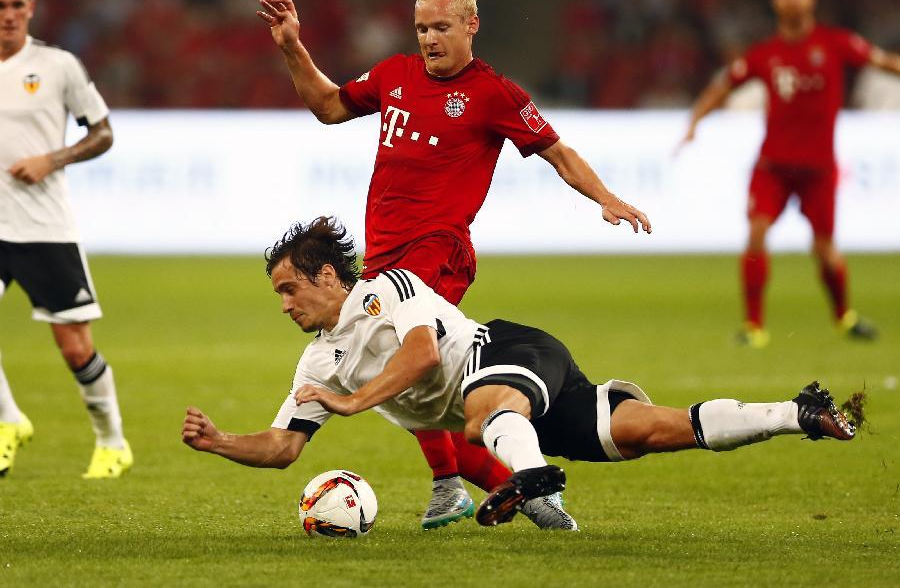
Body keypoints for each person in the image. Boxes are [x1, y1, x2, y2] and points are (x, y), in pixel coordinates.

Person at [255, 0, 652, 527]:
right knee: (412, 379)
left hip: (438, 253)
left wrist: (606, 199)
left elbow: (557, 151)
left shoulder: (494, 93)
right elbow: (327, 106)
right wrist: (293, 48)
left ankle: (484, 485)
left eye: (441, 27)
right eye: (421, 28)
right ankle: (472, 483)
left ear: (471, 26)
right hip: (383, 262)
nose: (429, 39)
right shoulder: (395, 75)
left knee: (412, 365)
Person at [182, 217, 860, 530]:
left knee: (479, 414)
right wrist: (219, 441)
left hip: (511, 350)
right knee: (653, 430)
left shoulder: (383, 288)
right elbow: (284, 447)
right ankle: (796, 413)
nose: (284, 303)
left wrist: (354, 402)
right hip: (524, 401)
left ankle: (528, 479)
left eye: (287, 288)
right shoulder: (315, 361)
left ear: (327, 275)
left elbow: (420, 354)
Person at [679, 0, 900, 348]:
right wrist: (695, 120)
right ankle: (753, 327)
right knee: (756, 234)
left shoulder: (836, 43)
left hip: (819, 169)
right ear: (775, 2)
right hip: (774, 167)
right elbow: (724, 84)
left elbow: (883, 62)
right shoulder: (766, 54)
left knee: (825, 250)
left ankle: (844, 317)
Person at [0, 0, 132, 478]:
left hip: (44, 228)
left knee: (74, 347)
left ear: (30, 9)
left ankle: (112, 441)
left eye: (16, 6)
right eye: (0, 7)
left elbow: (102, 133)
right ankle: (9, 421)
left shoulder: (58, 67)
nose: (8, 16)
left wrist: (50, 159)